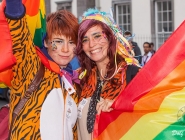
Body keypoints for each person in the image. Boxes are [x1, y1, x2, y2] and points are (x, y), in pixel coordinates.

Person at [3, 0, 80, 139]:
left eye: (71, 42)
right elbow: (19, 34)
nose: (66, 49)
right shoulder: (31, 67)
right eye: (58, 41)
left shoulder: (74, 83)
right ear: (46, 42)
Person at [76, 9, 140, 140]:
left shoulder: (132, 74)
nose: (92, 44)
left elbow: (151, 106)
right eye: (85, 39)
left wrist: (120, 104)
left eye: (97, 36)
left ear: (110, 37)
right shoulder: (81, 79)